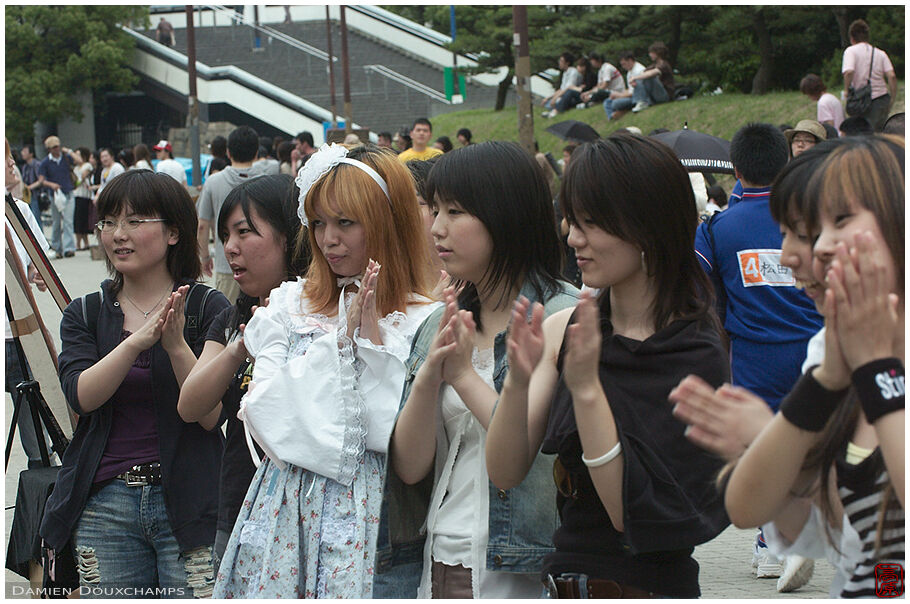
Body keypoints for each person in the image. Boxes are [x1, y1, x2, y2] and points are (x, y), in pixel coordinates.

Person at [485, 134, 730, 598]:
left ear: (649, 226)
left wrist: (587, 390)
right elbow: (505, 471)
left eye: (591, 223)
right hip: (564, 583)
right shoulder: (566, 327)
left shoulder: (694, 350)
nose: (572, 237)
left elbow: (627, 514)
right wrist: (516, 384)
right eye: (572, 220)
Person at [213, 143, 438, 598]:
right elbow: (264, 414)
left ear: (385, 222)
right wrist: (339, 346)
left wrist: (370, 341)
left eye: (345, 223)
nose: (327, 239)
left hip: (381, 523)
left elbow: (390, 436)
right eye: (317, 223)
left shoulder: (421, 317)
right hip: (283, 513)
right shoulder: (289, 304)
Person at [387, 141, 578, 598]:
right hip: (442, 551)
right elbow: (410, 467)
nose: (436, 228)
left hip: (525, 566)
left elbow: (524, 445)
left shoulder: (561, 316)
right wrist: (430, 375)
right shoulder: (440, 319)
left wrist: (462, 376)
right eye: (434, 211)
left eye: (454, 212)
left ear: (504, 215)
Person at [724, 135, 904, 598]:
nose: (808, 252)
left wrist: (878, 367)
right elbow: (747, 508)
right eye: (806, 232)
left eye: (837, 222)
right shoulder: (832, 348)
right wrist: (816, 393)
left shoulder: (870, 356)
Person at [38, 169, 231, 597]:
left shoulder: (205, 307)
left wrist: (176, 345)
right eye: (108, 222)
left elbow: (210, 417)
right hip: (105, 506)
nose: (117, 234)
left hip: (192, 503)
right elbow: (81, 398)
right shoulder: (85, 312)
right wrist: (135, 343)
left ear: (174, 232)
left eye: (135, 221)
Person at [694, 123, 823, 578]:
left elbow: (703, 291)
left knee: (764, 447)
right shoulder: (809, 216)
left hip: (754, 354)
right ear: (786, 162)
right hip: (817, 348)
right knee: (817, 441)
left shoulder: (720, 226)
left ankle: (774, 544)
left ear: (735, 168)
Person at [178, 174, 309, 574]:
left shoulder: (321, 317)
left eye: (245, 232)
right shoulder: (231, 318)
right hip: (240, 503)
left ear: (290, 236)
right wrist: (240, 346)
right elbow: (191, 404)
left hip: (307, 510)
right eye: (225, 235)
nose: (230, 248)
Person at [5, 137, 53, 470]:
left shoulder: (19, 211)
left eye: (10, 157)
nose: (10, 164)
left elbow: (38, 261)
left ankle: (43, 482)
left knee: (35, 421)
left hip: (21, 334)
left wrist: (37, 272)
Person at [197, 125, 265, 305]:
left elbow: (202, 224)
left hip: (227, 265)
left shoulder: (213, 182)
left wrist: (204, 257)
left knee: (227, 321)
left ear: (228, 152)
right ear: (256, 152)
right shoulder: (268, 180)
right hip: (263, 265)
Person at [842, 19, 897, 131]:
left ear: (852, 38)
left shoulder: (851, 51)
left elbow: (849, 72)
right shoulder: (880, 53)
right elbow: (891, 75)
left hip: (863, 101)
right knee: (881, 133)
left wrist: (846, 90)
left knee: (865, 136)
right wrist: (893, 97)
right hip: (882, 98)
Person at [37, 135, 77, 258]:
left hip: (68, 191)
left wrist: (69, 151)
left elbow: (79, 161)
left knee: (68, 221)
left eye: (58, 146)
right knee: (56, 222)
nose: (57, 149)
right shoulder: (45, 163)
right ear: (49, 149)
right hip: (55, 194)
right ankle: (56, 247)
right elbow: (41, 180)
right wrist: (52, 184)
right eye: (54, 147)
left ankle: (69, 248)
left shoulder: (66, 157)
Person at [630, 42, 675, 113]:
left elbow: (652, 73)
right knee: (641, 78)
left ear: (658, 53)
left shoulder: (664, 65)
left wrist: (635, 78)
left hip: (665, 95)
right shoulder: (653, 65)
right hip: (656, 95)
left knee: (649, 77)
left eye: (651, 53)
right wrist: (635, 81)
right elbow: (643, 73)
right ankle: (640, 102)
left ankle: (643, 101)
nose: (649, 55)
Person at [602, 51, 646, 121]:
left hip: (637, 97)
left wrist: (620, 95)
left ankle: (621, 112)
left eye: (624, 64)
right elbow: (629, 89)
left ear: (630, 60)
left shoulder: (638, 70)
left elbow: (633, 92)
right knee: (607, 101)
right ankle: (612, 116)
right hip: (630, 95)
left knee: (615, 103)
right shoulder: (630, 72)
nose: (623, 67)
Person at [541, 52, 583, 119]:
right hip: (565, 94)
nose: (559, 63)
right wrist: (548, 98)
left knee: (564, 96)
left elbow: (569, 88)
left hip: (573, 95)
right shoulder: (565, 73)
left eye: (561, 61)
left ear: (567, 63)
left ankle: (555, 111)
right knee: (548, 103)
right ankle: (553, 110)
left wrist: (555, 98)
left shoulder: (573, 72)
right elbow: (561, 89)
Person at [72, 147, 95, 251]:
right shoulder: (75, 168)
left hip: (84, 195)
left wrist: (75, 183)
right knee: (77, 220)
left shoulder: (87, 165)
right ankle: (79, 243)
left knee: (83, 219)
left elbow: (81, 178)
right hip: (75, 195)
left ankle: (85, 243)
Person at [20, 144, 43, 221]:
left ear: (31, 153)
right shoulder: (25, 166)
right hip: (26, 196)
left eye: (25, 151)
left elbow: (40, 180)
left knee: (36, 218)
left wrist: (28, 187)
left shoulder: (36, 164)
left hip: (35, 194)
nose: (22, 153)